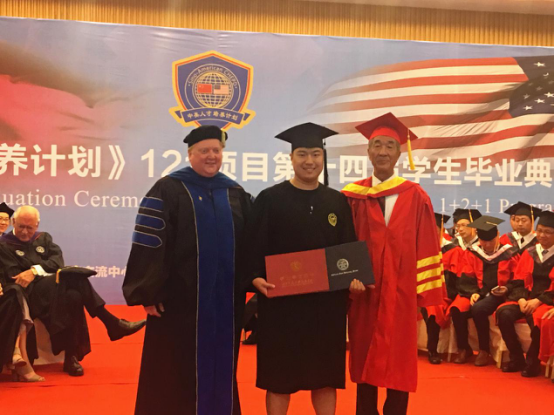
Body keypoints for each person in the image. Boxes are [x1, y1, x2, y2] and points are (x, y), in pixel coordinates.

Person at [123, 125, 252, 415]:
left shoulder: (235, 193)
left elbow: (251, 242)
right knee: (173, 369)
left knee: (221, 366)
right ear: (190, 154)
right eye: (204, 151)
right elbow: (150, 242)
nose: (211, 156)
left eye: (216, 150)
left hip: (225, 304)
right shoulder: (168, 189)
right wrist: (149, 291)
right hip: (178, 302)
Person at [246, 122, 359, 415]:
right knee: (279, 378)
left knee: (325, 378)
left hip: (325, 307)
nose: (309, 161)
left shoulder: (337, 201)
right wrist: (255, 277)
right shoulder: (270, 199)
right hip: (282, 304)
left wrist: (354, 277)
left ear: (323, 157)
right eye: (302, 154)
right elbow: (253, 247)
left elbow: (347, 250)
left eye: (315, 154)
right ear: (291, 158)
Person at [342, 113, 444, 415]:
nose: (383, 151)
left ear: (399, 153)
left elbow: (427, 245)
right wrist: (347, 280)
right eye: (377, 145)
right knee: (364, 354)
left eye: (389, 146)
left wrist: (422, 295)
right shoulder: (352, 196)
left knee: (398, 360)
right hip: (364, 292)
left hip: (401, 294)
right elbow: (343, 243)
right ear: (368, 151)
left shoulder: (415, 196)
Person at [0, 206, 145, 377]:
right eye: (21, 227)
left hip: (53, 290)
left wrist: (34, 270)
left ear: (37, 225)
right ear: (13, 222)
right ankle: (111, 322)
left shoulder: (43, 238)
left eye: (29, 227)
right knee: (74, 278)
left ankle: (71, 357)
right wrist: (42, 269)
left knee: (74, 296)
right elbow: (14, 275)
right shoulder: (4, 245)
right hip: (28, 295)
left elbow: (57, 262)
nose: (25, 232)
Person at [450, 216, 518, 366]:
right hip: (475, 292)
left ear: (498, 235)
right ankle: (464, 348)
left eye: (490, 241)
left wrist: (507, 288)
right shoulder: (473, 252)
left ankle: (484, 350)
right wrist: (473, 292)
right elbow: (466, 276)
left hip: (500, 295)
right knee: (457, 308)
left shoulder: (509, 253)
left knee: (479, 309)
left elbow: (517, 279)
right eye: (483, 241)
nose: (486, 245)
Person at [497, 210, 554, 376]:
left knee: (538, 320)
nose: (542, 235)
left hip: (547, 301)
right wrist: (521, 299)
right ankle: (516, 357)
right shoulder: (530, 252)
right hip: (526, 298)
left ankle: (533, 362)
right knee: (504, 313)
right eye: (540, 230)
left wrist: (539, 301)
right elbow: (518, 280)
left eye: (548, 232)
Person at [0, 202, 44, 382]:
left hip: (7, 289)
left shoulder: (5, 244)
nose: (2, 222)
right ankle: (18, 356)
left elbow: (9, 272)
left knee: (15, 295)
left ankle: (18, 353)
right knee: (16, 293)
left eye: (5, 219)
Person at [421, 213, 459, 364]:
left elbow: (455, 278)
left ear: (442, 229)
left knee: (433, 308)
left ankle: (432, 350)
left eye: (434, 229)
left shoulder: (452, 250)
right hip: (420, 292)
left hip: (443, 294)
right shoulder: (419, 247)